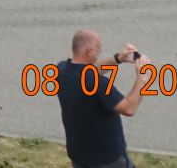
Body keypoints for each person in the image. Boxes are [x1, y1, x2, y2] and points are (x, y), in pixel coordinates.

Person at [56, 30, 149, 168]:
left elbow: (89, 69)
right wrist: (142, 79)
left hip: (79, 156)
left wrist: (118, 59)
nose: (100, 51)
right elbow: (129, 108)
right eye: (98, 48)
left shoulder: (61, 70)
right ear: (88, 52)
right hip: (108, 160)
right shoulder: (98, 83)